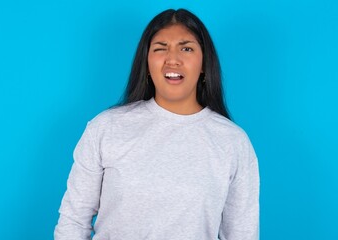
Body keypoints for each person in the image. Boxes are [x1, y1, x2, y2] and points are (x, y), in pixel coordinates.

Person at [54, 8, 259, 240]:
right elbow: (73, 220)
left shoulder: (232, 142)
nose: (173, 59)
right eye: (160, 49)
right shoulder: (106, 128)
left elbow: (242, 234)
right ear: (147, 63)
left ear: (204, 63)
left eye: (186, 48)